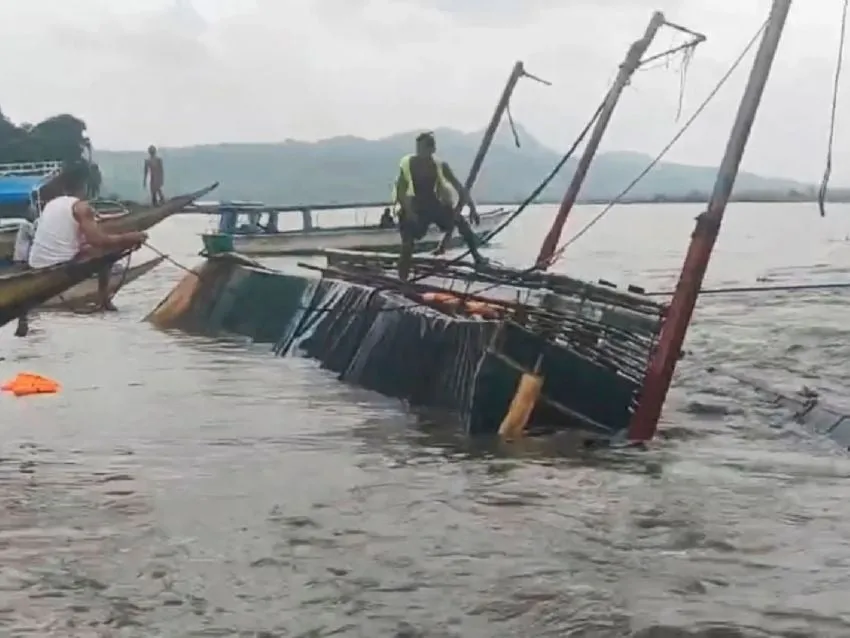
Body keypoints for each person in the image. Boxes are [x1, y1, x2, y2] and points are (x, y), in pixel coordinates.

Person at [15, 162, 148, 336]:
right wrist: (129, 238)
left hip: (36, 262)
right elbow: (98, 240)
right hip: (59, 264)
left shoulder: (52, 204)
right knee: (106, 251)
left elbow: (80, 239)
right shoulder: (82, 208)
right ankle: (104, 300)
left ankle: (103, 300)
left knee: (99, 246)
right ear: (84, 185)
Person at [394, 132, 485, 280]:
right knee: (407, 243)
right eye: (418, 148)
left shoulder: (439, 165)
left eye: (423, 148)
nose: (419, 152)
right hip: (415, 205)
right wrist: (410, 212)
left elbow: (458, 187)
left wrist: (472, 208)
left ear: (432, 149)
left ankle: (476, 256)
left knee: (460, 221)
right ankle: (402, 279)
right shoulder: (409, 164)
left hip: (432, 204)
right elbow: (401, 191)